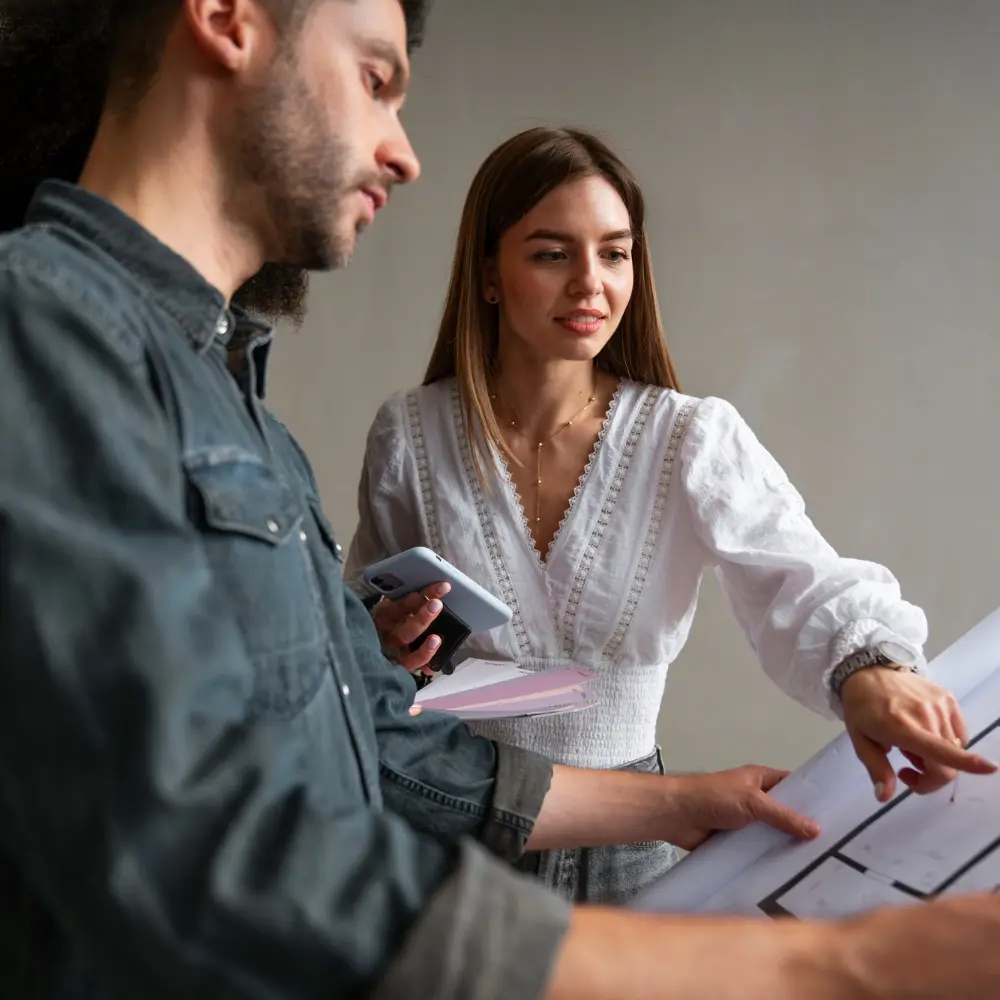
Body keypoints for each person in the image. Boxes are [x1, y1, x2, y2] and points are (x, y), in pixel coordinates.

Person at [1, 3, 1000, 1000]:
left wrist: (707, 777)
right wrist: (836, 964)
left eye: (615, 252)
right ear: (224, 19)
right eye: (376, 78)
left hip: (582, 837)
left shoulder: (239, 406)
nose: (404, 153)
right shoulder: (47, 333)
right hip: (437, 887)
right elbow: (204, 843)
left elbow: (378, 737)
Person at [346, 124, 989, 903]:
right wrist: (382, 636)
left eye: (615, 253)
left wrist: (874, 673)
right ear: (489, 273)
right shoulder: (409, 434)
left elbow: (805, 580)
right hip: (453, 831)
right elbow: (358, 644)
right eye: (553, 253)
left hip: (640, 841)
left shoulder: (688, 436)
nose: (591, 283)